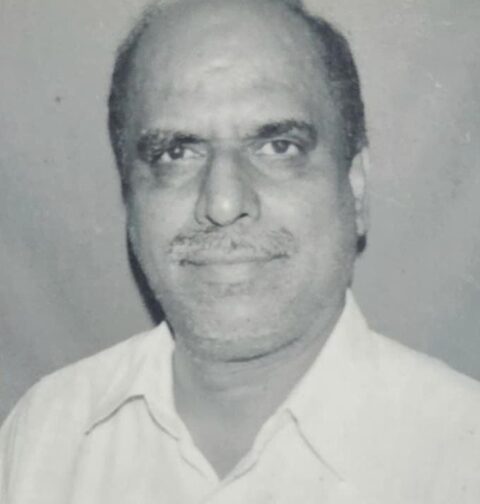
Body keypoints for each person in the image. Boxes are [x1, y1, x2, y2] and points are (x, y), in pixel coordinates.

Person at [1, 0, 479, 502]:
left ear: (355, 189)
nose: (224, 202)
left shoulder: (461, 458)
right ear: (132, 201)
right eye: (176, 153)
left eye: (278, 147)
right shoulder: (44, 438)